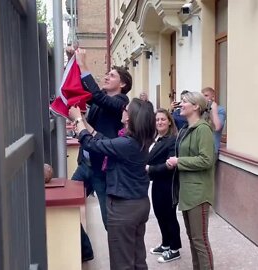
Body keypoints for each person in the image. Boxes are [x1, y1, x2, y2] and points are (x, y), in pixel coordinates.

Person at [69, 98, 155, 270]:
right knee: (138, 259)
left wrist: (78, 120)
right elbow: (102, 139)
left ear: (130, 117)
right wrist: (84, 123)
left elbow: (91, 144)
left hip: (123, 208)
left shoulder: (126, 143)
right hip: (139, 204)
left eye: (126, 108)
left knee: (121, 262)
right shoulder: (136, 141)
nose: (122, 110)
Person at [73, 48, 132, 228]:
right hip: (85, 164)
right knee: (67, 209)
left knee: (109, 221)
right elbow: (85, 90)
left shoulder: (121, 102)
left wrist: (83, 64)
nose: (106, 77)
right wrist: (73, 62)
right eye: (107, 74)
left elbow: (97, 96)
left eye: (111, 75)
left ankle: (118, 252)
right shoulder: (101, 99)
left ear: (122, 84)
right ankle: (85, 248)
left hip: (103, 170)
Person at [166, 91, 215, 270]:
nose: (181, 104)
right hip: (187, 192)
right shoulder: (188, 129)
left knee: (200, 240)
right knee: (193, 239)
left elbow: (206, 160)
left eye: (185, 101)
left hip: (198, 194)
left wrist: (179, 162)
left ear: (196, 106)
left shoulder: (203, 129)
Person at [147, 109, 182, 263]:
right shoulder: (156, 138)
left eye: (162, 119)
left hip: (167, 184)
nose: (159, 122)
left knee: (169, 216)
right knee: (160, 214)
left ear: (169, 121)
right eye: (157, 120)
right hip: (156, 183)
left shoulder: (172, 140)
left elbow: (170, 164)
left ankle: (174, 249)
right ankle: (166, 244)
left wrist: (149, 169)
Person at [201, 87, 227, 154]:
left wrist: (213, 110)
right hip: (199, 149)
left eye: (206, 96)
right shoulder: (201, 110)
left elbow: (217, 127)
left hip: (210, 150)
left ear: (213, 97)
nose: (203, 98)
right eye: (202, 96)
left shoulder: (220, 110)